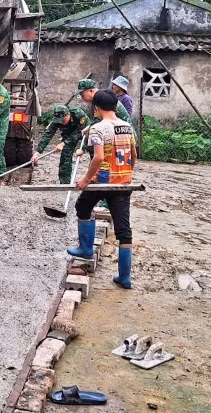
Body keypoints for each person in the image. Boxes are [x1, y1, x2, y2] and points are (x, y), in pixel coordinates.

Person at [68, 89, 135, 289]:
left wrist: (86, 179)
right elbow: (133, 155)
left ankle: (86, 248)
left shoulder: (97, 128)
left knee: (82, 207)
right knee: (124, 230)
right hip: (123, 182)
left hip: (102, 181)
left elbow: (98, 157)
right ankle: (124, 278)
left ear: (96, 108)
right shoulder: (127, 127)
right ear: (115, 106)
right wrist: (125, 173)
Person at [31, 103, 89, 183]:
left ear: (68, 114)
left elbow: (78, 133)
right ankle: (64, 183)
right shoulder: (57, 119)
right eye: (59, 120)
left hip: (85, 131)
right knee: (65, 155)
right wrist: (38, 152)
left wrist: (63, 143)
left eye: (62, 120)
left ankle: (93, 179)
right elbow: (48, 134)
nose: (60, 122)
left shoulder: (79, 114)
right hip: (68, 133)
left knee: (93, 151)